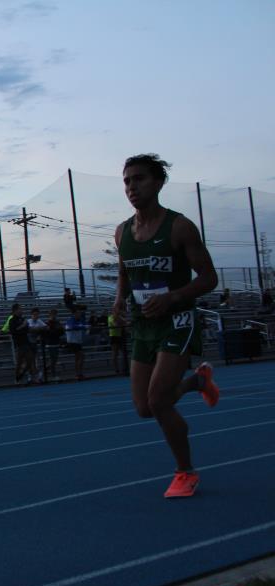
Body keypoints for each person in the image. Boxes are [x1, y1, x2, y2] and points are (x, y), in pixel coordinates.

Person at [113, 153, 219, 499]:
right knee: (144, 408)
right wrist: (118, 301)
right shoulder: (122, 232)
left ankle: (185, 472)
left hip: (177, 321)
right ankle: (197, 382)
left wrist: (174, 297)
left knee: (158, 401)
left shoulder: (179, 227)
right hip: (144, 325)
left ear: (158, 183)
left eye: (139, 179)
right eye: (127, 181)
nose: (131, 187)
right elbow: (124, 271)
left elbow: (209, 278)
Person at [2, 303, 30, 384]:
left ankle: (19, 376)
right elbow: (14, 331)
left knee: (29, 361)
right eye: (20, 309)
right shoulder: (12, 320)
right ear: (15, 310)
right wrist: (23, 326)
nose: (21, 310)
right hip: (19, 343)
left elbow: (26, 329)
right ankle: (17, 378)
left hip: (26, 342)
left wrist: (23, 327)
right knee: (19, 363)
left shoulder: (22, 319)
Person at [41, 309, 64, 382]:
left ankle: (42, 372)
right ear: (50, 315)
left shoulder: (57, 322)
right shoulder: (47, 323)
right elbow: (48, 333)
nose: (54, 315)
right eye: (52, 314)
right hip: (50, 343)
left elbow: (62, 332)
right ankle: (53, 375)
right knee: (52, 360)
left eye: (55, 314)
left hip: (56, 342)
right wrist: (56, 331)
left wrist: (57, 330)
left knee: (54, 360)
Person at [64, 308, 87, 380]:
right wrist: (83, 326)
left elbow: (84, 325)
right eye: (78, 313)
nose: (79, 314)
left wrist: (85, 326)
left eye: (80, 313)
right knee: (81, 356)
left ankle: (79, 374)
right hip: (72, 342)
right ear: (74, 314)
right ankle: (78, 374)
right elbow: (72, 327)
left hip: (78, 342)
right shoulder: (70, 320)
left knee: (78, 358)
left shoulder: (79, 320)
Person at [26, 307, 47, 381]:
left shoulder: (39, 321)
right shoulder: (28, 321)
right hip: (28, 343)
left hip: (34, 343)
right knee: (30, 360)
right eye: (34, 314)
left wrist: (36, 330)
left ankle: (37, 376)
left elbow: (46, 327)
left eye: (37, 314)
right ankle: (30, 376)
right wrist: (38, 329)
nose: (36, 316)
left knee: (36, 359)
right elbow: (30, 329)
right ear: (31, 315)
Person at [107, 311, 126, 375]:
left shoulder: (119, 317)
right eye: (116, 312)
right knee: (115, 354)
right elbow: (116, 325)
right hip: (113, 337)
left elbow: (125, 322)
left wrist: (121, 321)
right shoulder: (110, 317)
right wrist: (121, 323)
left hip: (119, 336)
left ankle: (124, 368)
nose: (117, 313)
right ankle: (116, 369)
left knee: (123, 352)